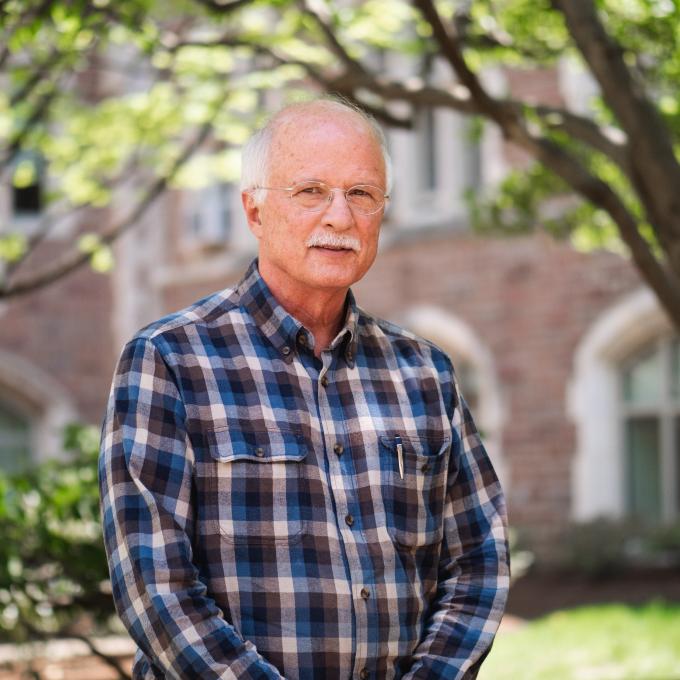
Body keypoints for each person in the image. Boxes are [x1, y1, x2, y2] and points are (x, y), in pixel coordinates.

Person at [99, 97, 509, 680]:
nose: (340, 217)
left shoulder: (426, 373)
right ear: (255, 211)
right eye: (311, 191)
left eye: (362, 194)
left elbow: (478, 561)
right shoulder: (169, 360)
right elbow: (154, 587)